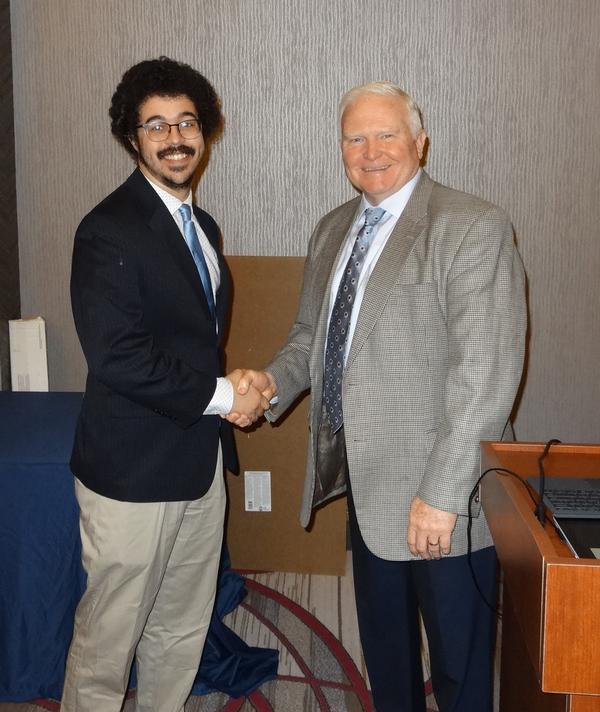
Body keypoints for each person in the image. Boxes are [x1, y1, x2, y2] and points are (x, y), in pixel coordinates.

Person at [232, 82, 526, 711]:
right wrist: (272, 382)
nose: (370, 150)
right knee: (388, 657)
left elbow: (487, 377)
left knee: (459, 669)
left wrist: (442, 497)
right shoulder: (335, 227)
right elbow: (314, 336)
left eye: (386, 134)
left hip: (440, 500)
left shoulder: (470, 226)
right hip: (366, 487)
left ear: (420, 141)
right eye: (355, 137)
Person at [62, 57, 268, 712]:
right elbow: (118, 357)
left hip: (198, 464)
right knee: (108, 639)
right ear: (132, 137)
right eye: (157, 125)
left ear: (205, 130)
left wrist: (230, 387)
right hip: (131, 475)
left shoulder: (202, 227)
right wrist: (225, 396)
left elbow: (193, 343)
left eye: (187, 121)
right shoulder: (106, 230)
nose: (175, 137)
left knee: (181, 622)